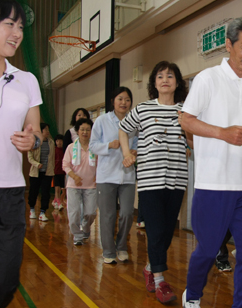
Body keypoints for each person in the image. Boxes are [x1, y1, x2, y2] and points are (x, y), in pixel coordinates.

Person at [180, 16, 242, 308]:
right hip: (213, 184)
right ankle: (192, 295)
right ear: (229, 45)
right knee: (207, 251)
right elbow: (186, 120)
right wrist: (222, 133)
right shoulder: (208, 79)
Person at [0, 0, 42, 307]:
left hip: (10, 194)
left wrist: (33, 141)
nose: (17, 33)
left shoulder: (26, 80)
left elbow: (38, 133)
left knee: (3, 280)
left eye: (20, 26)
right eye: (8, 24)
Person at [120, 61, 192, 304]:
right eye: (159, 76)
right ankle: (160, 281)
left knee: (167, 230)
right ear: (153, 83)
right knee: (154, 228)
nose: (164, 79)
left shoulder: (185, 110)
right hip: (150, 179)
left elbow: (192, 143)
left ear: (177, 82)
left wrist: (189, 138)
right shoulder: (143, 109)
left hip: (177, 178)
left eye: (170, 76)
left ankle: (151, 266)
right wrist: (126, 154)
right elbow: (123, 129)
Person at [89, 87, 138, 263]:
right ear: (113, 101)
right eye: (120, 99)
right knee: (108, 215)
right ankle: (108, 251)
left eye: (127, 99)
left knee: (126, 213)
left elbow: (139, 142)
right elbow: (92, 146)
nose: (124, 103)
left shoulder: (134, 122)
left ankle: (121, 245)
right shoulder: (102, 121)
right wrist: (108, 145)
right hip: (106, 176)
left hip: (127, 176)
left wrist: (135, 150)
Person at [63, 118, 97, 246]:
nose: (85, 132)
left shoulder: (95, 148)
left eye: (88, 130)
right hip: (73, 185)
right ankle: (77, 235)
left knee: (91, 213)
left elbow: (101, 164)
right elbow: (65, 165)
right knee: (74, 212)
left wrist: (98, 176)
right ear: (77, 131)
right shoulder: (71, 148)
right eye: (82, 129)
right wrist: (74, 176)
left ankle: (86, 229)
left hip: (91, 186)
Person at [28, 122, 55, 221]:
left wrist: (52, 169)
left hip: (47, 172)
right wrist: (36, 164)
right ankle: (32, 209)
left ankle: (43, 212)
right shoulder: (34, 142)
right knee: (33, 192)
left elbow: (52, 158)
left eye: (48, 129)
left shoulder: (51, 143)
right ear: (41, 130)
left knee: (45, 193)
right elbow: (29, 157)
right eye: (46, 129)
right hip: (35, 172)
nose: (47, 131)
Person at [52, 134, 66, 210]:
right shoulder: (54, 150)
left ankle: (55, 200)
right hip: (55, 172)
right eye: (57, 141)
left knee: (62, 189)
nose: (59, 142)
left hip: (63, 172)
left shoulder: (64, 150)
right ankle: (59, 203)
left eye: (60, 140)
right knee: (57, 189)